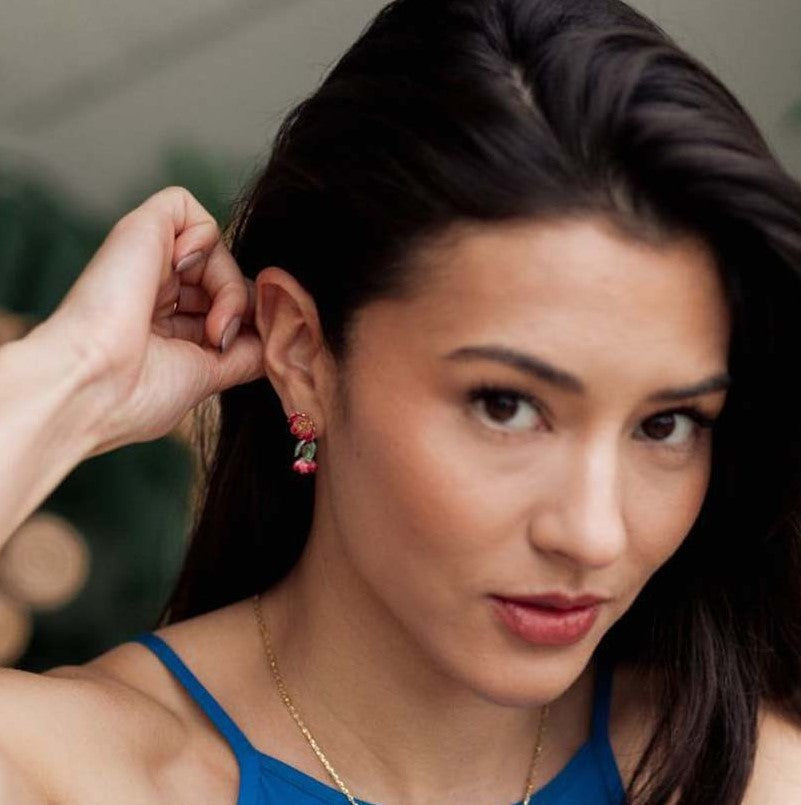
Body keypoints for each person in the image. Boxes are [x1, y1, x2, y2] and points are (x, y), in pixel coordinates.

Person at [2, 0, 801, 802]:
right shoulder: (73, 773)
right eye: (505, 406)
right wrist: (79, 375)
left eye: (665, 424)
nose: (593, 534)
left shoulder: (736, 773)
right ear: (301, 352)